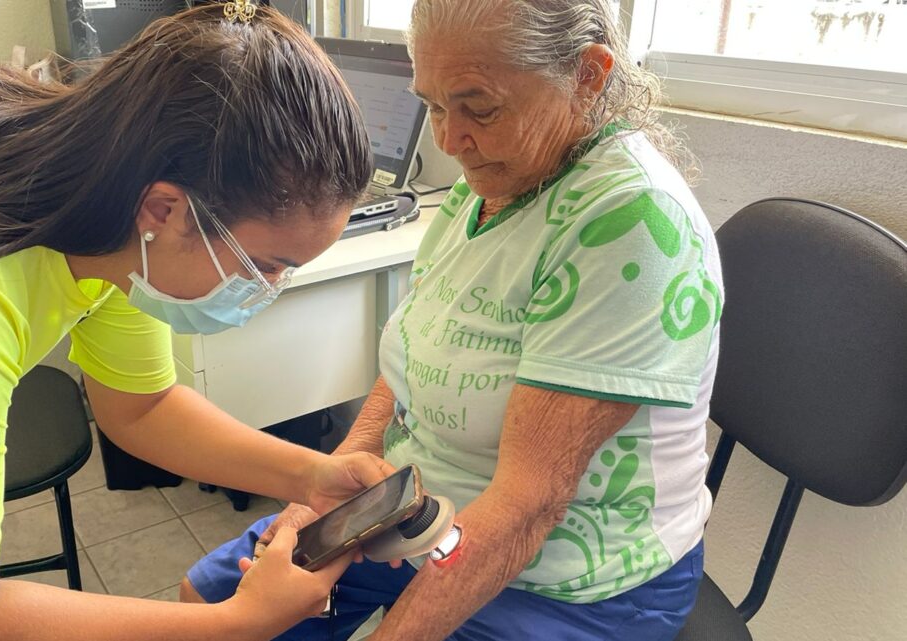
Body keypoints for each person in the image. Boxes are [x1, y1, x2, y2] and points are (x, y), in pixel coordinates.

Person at [0, 4, 395, 641]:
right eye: (265, 264)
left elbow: (141, 407)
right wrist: (237, 622)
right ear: (166, 210)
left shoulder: (114, 204)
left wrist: (309, 475)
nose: (269, 289)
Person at [182, 1, 724, 639]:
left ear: (588, 76)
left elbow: (528, 506)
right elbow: (413, 360)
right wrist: (322, 499)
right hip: (411, 509)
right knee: (211, 604)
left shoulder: (630, 226)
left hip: (565, 572)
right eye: (434, 105)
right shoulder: (486, 184)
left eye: (480, 107)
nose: (447, 139)